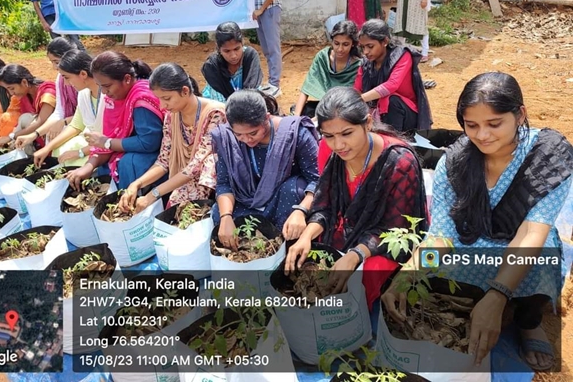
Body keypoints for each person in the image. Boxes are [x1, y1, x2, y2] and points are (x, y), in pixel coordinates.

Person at [382, 72, 573, 371]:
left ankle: (528, 322)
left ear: (519, 114)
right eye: (472, 125)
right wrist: (407, 275)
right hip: (473, 235)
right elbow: (441, 236)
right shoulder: (455, 162)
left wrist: (498, 295)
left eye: (494, 124)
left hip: (523, 240)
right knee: (436, 273)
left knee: (541, 259)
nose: (482, 135)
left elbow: (530, 234)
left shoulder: (548, 157)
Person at [285, 87, 428, 307]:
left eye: (347, 133)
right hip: (348, 227)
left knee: (358, 283)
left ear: (367, 123)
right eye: (329, 136)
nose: (338, 145)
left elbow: (396, 230)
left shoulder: (400, 163)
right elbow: (325, 205)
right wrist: (306, 236)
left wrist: (355, 256)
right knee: (306, 262)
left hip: (383, 241)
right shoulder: (332, 151)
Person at [212, 90, 319, 249]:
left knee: (292, 189)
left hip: (284, 202)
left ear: (267, 118)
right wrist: (226, 216)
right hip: (246, 202)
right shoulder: (226, 138)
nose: (247, 140)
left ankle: (284, 248)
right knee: (218, 214)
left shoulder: (295, 133)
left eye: (253, 133)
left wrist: (301, 210)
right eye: (239, 135)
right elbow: (224, 183)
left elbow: (318, 179)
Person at [119, 63, 227, 212]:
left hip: (212, 182)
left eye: (167, 98)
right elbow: (164, 161)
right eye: (160, 100)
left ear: (184, 91)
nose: (162, 106)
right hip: (184, 179)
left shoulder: (215, 114)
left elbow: (196, 166)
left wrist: (153, 194)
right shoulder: (172, 116)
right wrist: (136, 184)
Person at [65, 51, 164, 191]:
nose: (104, 92)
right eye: (101, 87)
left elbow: (149, 142)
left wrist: (108, 143)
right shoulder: (113, 100)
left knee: (128, 163)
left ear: (127, 79)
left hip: (156, 156)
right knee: (102, 168)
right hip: (127, 150)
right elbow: (107, 139)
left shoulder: (141, 100)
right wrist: (88, 166)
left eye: (107, 86)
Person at [26, 50, 102, 167]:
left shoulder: (108, 96)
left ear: (83, 74)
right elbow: (76, 126)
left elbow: (110, 138)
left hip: (103, 145)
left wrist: (80, 152)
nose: (66, 84)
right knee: (59, 150)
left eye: (67, 78)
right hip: (91, 141)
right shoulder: (84, 95)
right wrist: (48, 148)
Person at [355, 19, 432, 133]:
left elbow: (391, 85)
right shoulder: (366, 63)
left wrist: (359, 99)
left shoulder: (402, 56)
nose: (365, 52)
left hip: (406, 115)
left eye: (370, 46)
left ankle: (394, 141)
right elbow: (357, 89)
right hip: (376, 113)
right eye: (362, 47)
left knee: (391, 100)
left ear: (385, 41)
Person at [293, 20, 362, 118]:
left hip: (344, 109)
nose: (340, 49)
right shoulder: (322, 57)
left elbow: (351, 99)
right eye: (336, 43)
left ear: (353, 44)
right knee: (298, 110)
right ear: (332, 41)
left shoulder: (358, 65)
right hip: (323, 105)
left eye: (345, 44)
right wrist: (295, 116)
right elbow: (307, 88)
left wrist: (319, 118)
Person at [0, 64, 56, 153]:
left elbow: (40, 121)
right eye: (8, 90)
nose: (11, 93)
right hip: (39, 134)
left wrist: (11, 137)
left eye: (12, 88)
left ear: (24, 82)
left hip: (54, 132)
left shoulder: (48, 92)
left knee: (25, 119)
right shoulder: (25, 97)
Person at [201, 22, 263, 103]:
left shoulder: (250, 56)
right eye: (227, 51)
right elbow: (219, 102)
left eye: (237, 49)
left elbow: (252, 91)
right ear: (219, 49)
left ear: (242, 43)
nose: (233, 56)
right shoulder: (212, 66)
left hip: (248, 101)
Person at [44, 37, 80, 139]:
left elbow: (87, 116)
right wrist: (36, 133)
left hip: (85, 125)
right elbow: (60, 111)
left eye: (56, 62)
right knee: (51, 133)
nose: (54, 67)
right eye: (52, 62)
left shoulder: (83, 79)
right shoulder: (60, 78)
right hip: (73, 121)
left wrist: (63, 122)